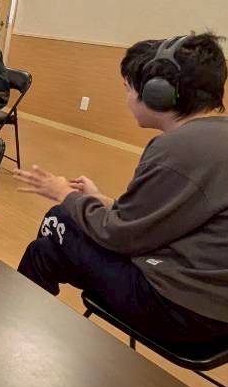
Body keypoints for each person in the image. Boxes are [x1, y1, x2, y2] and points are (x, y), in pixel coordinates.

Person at [15, 33, 228, 345]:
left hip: (182, 312)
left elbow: (119, 236)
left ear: (158, 93)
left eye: (128, 88)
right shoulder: (214, 139)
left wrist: (64, 193)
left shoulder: (178, 149)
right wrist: (103, 201)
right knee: (46, 250)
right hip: (211, 305)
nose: (127, 98)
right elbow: (169, 218)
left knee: (59, 218)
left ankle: (19, 328)